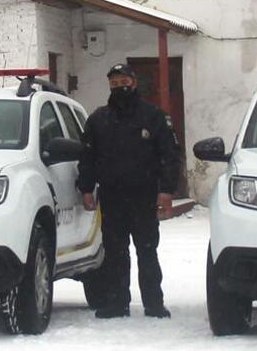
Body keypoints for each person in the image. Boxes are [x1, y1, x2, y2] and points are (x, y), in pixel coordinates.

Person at [76, 63, 181, 318]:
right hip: (112, 197)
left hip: (143, 196)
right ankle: (117, 302)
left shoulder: (153, 117)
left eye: (123, 82)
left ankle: (153, 303)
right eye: (114, 84)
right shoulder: (98, 119)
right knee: (115, 253)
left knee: (147, 251)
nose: (119, 87)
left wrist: (166, 191)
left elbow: (169, 155)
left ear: (133, 83)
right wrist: (86, 188)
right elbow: (87, 158)